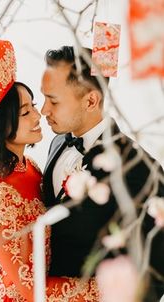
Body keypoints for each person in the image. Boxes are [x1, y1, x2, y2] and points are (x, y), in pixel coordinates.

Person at [0, 40, 99, 302]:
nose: (38, 116)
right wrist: (104, 290)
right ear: (2, 125)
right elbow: (33, 288)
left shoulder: (30, 166)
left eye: (34, 105)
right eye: (26, 111)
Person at [40, 46, 164, 301]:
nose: (43, 110)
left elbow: (155, 270)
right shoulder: (57, 143)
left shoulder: (139, 169)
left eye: (53, 100)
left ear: (90, 101)